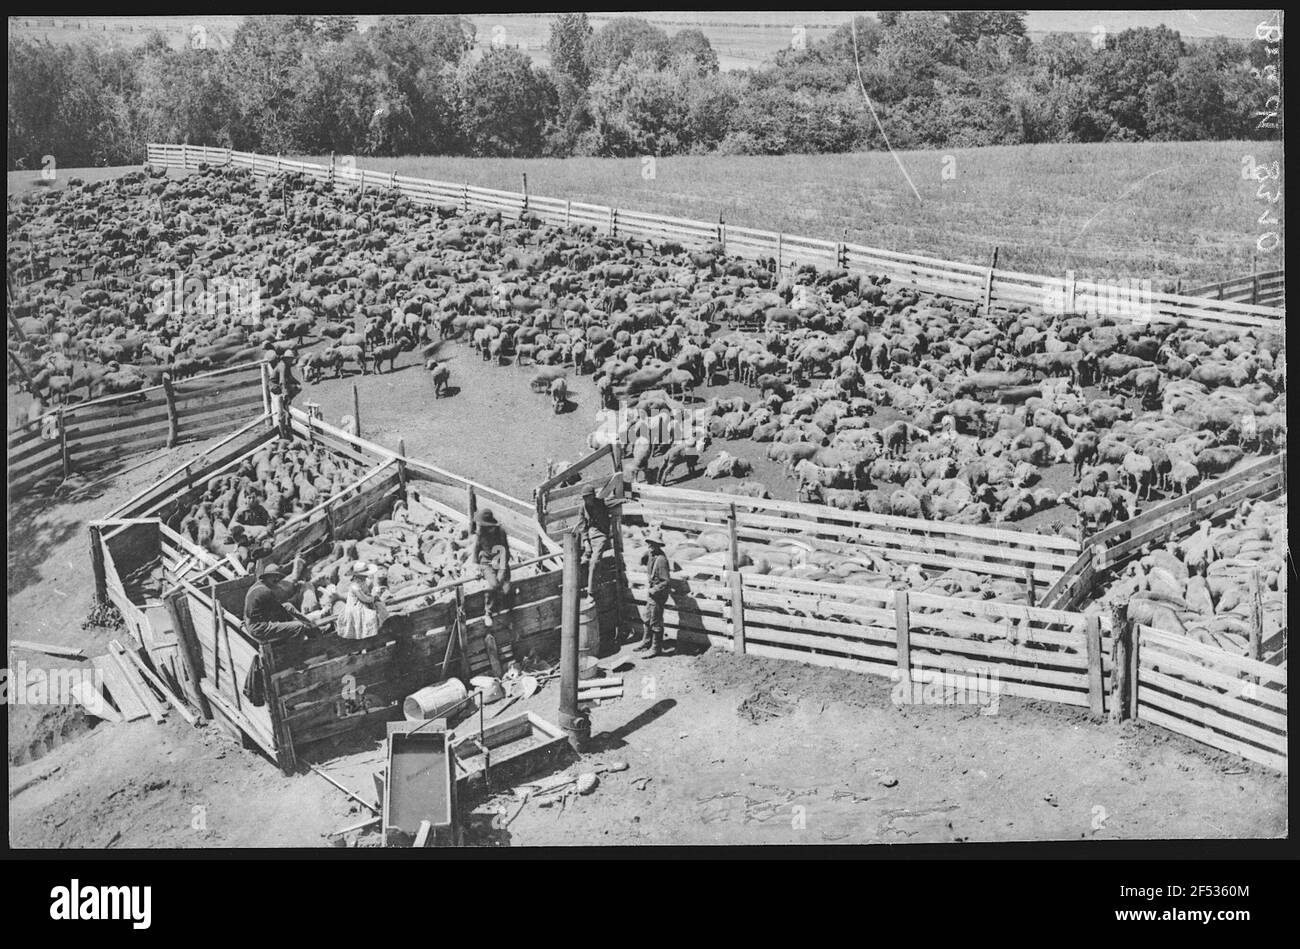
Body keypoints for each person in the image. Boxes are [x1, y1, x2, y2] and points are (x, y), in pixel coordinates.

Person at [243, 559, 316, 645]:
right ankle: (293, 649)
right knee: (298, 627)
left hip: (252, 622)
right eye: (273, 577)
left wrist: (302, 620)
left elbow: (279, 609)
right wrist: (297, 622)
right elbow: (280, 615)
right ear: (267, 577)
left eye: (278, 577)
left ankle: (309, 624)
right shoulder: (266, 592)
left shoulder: (258, 586)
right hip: (259, 628)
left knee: (288, 606)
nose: (277, 579)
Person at [472, 508, 511, 627]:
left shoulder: (501, 533)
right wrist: (476, 566)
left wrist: (502, 570)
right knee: (494, 584)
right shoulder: (480, 534)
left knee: (505, 585)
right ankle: (488, 612)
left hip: (500, 562)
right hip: (486, 563)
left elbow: (505, 552)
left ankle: (508, 612)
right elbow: (476, 550)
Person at [637, 529, 671, 656]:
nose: (650, 546)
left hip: (658, 594)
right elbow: (642, 561)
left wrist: (654, 590)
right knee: (647, 617)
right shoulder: (651, 555)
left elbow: (666, 582)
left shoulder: (661, 560)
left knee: (656, 621)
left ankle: (656, 648)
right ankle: (646, 642)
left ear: (658, 545)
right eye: (649, 543)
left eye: (653, 544)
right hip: (651, 593)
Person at [576, 485, 612, 600]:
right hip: (589, 537)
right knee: (580, 561)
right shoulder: (583, 508)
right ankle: (578, 589)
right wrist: (586, 542)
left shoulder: (601, 503)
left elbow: (615, 501)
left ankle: (591, 592)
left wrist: (626, 499)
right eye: (584, 497)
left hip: (600, 536)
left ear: (593, 496)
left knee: (594, 562)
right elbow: (582, 526)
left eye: (588, 497)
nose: (586, 500)